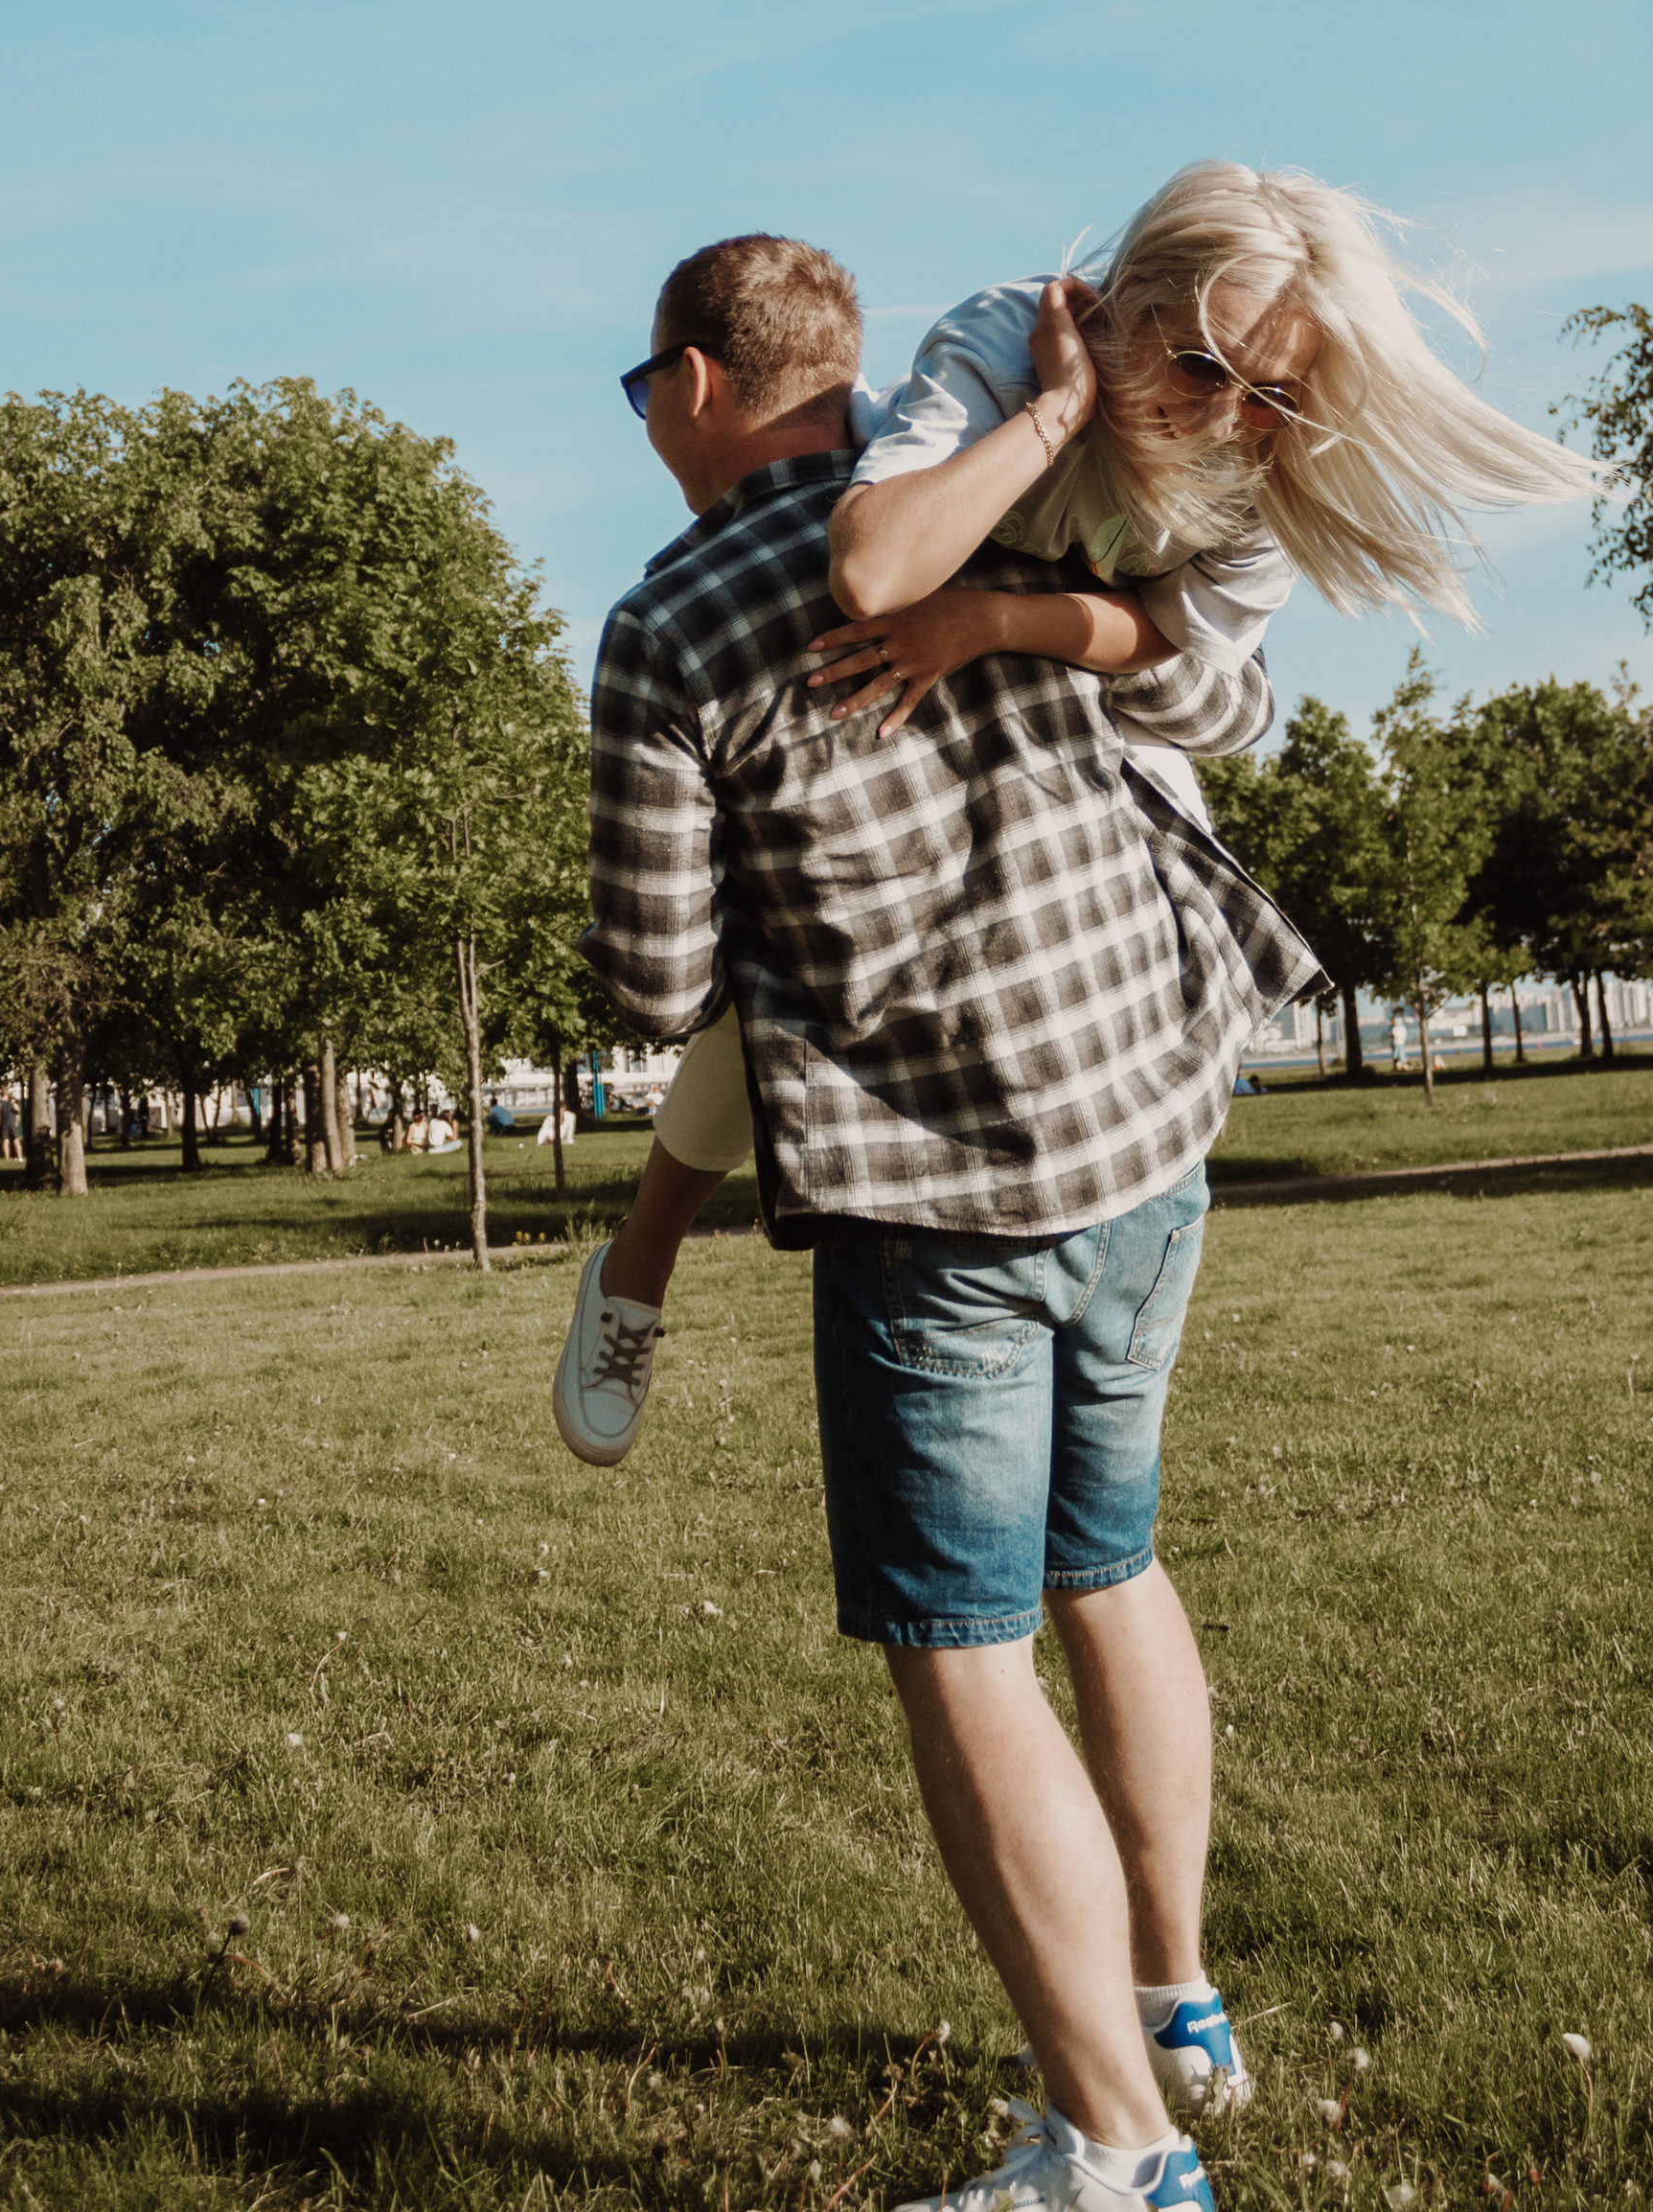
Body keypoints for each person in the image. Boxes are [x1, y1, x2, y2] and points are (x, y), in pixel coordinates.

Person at [572, 227, 1320, 2212]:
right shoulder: (1041, 498)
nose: (646, 423)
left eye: (642, 390)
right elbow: (1187, 670)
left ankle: (1111, 2154)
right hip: (1150, 1126)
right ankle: (1172, 2006)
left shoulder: (661, 632)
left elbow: (654, 988)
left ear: (707, 382)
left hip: (940, 1187)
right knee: (1115, 1567)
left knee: (962, 1647)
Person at [559, 160, 1592, 1438]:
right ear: (1118, 304)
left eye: (1270, 391)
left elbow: (1198, 667)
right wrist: (1054, 414)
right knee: (788, 936)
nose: (1228, 414)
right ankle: (639, 1267)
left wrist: (996, 619)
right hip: (974, 644)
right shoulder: (987, 364)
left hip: (1108, 712)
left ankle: (657, 1260)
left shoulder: (1269, 460)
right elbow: (877, 560)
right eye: (1206, 369)